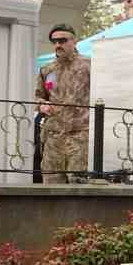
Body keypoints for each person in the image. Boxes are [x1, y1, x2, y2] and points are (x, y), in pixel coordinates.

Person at [35, 24, 92, 184]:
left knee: (78, 183)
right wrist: (42, 105)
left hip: (80, 136)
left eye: (62, 40)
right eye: (54, 42)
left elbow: (102, 95)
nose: (58, 45)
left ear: (74, 41)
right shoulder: (47, 69)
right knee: (51, 184)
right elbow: (37, 96)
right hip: (53, 136)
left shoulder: (89, 66)